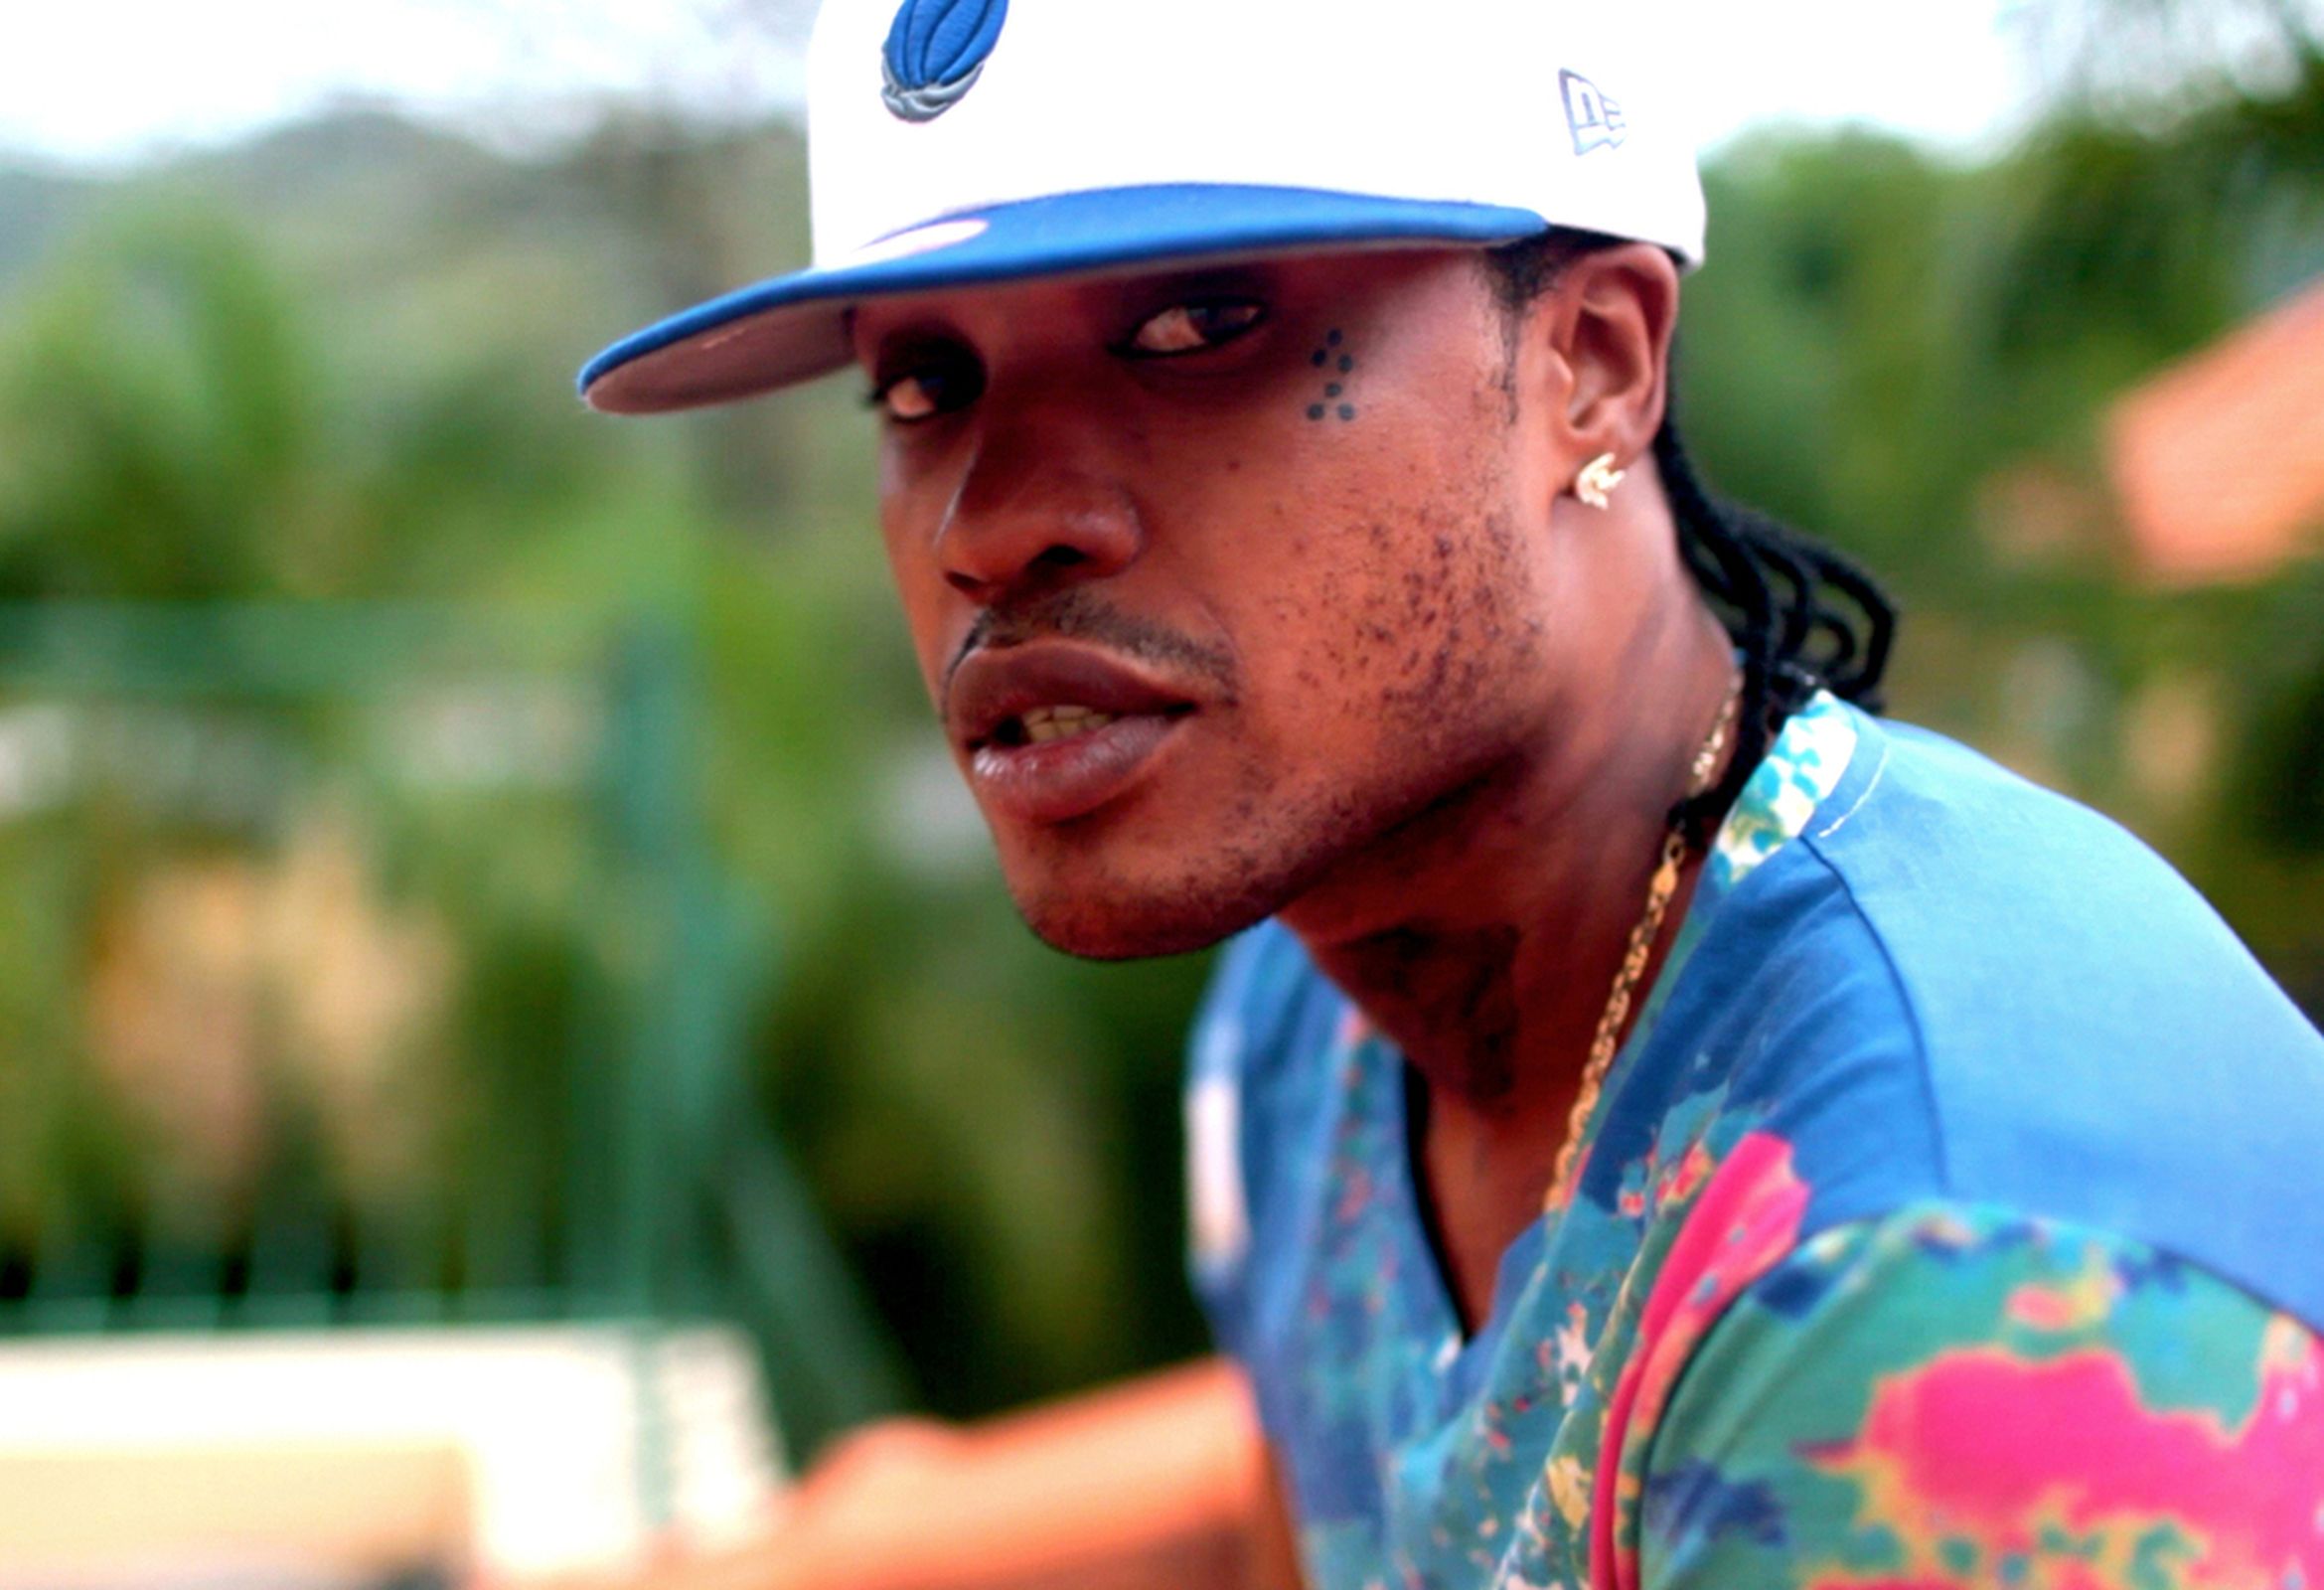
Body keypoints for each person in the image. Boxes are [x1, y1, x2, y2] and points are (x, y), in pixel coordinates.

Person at [578, 1, 2324, 1585]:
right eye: (923, 383)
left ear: (1593, 365)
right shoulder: (1313, 1017)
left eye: (1194, 323)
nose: (990, 525)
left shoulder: (1952, 1285)